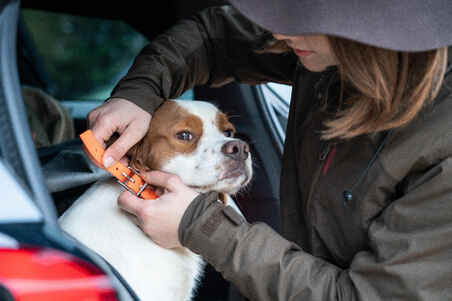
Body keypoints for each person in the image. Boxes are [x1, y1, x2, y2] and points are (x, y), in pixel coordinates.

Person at [87, 0, 452, 300]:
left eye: (304, 17)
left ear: (373, 26)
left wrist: (200, 225)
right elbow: (215, 36)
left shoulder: (442, 146)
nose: (278, 31)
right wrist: (138, 94)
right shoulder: (320, 45)